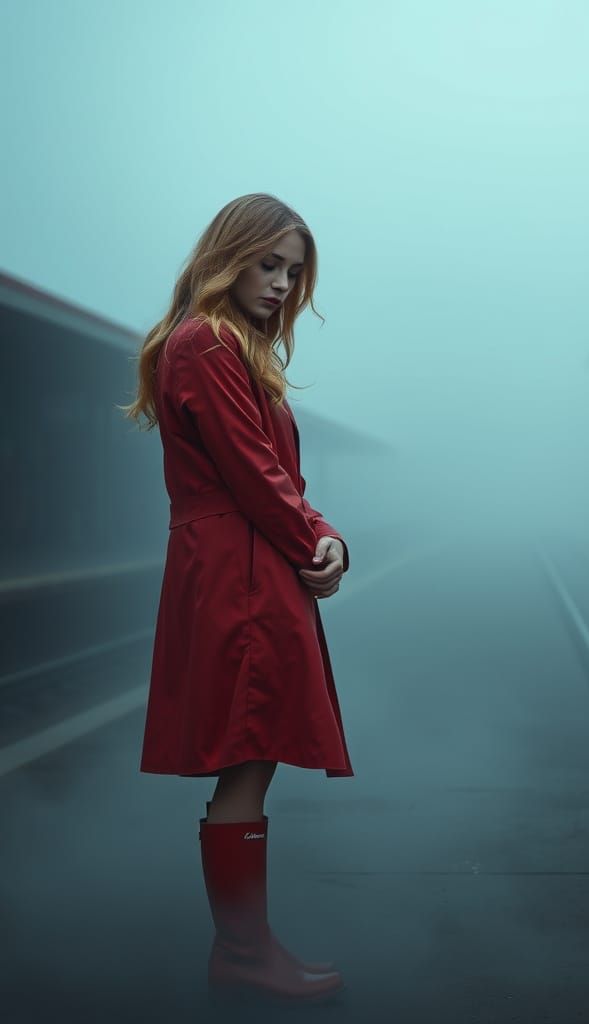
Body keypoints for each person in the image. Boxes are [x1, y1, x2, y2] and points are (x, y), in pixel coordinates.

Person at [119, 193, 353, 1005]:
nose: (283, 282)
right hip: (239, 567)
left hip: (250, 559)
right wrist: (306, 541)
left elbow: (280, 480)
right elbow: (256, 477)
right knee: (248, 750)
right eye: (269, 263)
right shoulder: (207, 344)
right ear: (231, 254)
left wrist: (328, 539)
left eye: (293, 271)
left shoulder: (230, 349)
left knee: (253, 755)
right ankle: (244, 955)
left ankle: (246, 951)